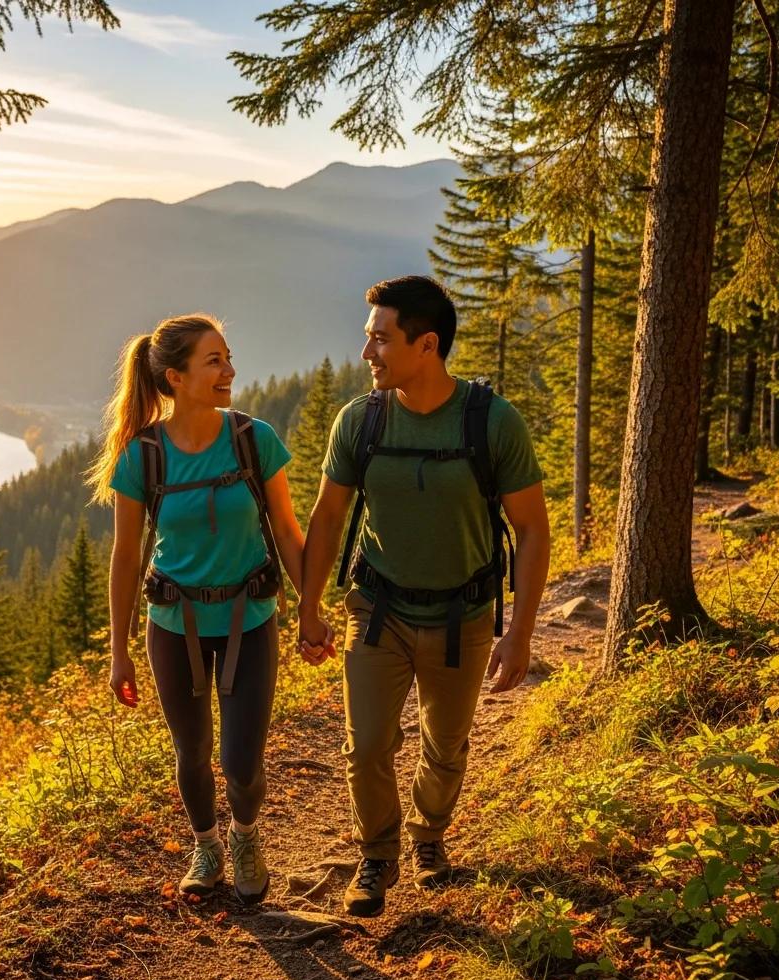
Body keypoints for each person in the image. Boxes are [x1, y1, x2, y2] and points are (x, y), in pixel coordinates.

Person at [297, 276, 551, 917]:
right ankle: (377, 856)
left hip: (462, 618)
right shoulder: (361, 421)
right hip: (377, 611)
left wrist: (519, 632)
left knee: (445, 745)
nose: (367, 353)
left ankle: (429, 838)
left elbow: (531, 526)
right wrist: (308, 606)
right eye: (367, 338)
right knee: (367, 746)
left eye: (380, 339)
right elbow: (328, 518)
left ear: (427, 344)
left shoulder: (491, 423)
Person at [90, 313, 329, 905]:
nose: (230, 370)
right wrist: (118, 652)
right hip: (174, 626)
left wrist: (311, 608)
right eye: (214, 361)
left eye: (228, 357)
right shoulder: (142, 457)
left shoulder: (254, 439)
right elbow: (125, 559)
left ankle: (245, 835)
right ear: (175, 376)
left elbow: (287, 528)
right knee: (192, 753)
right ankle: (207, 843)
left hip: (251, 618)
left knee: (241, 760)